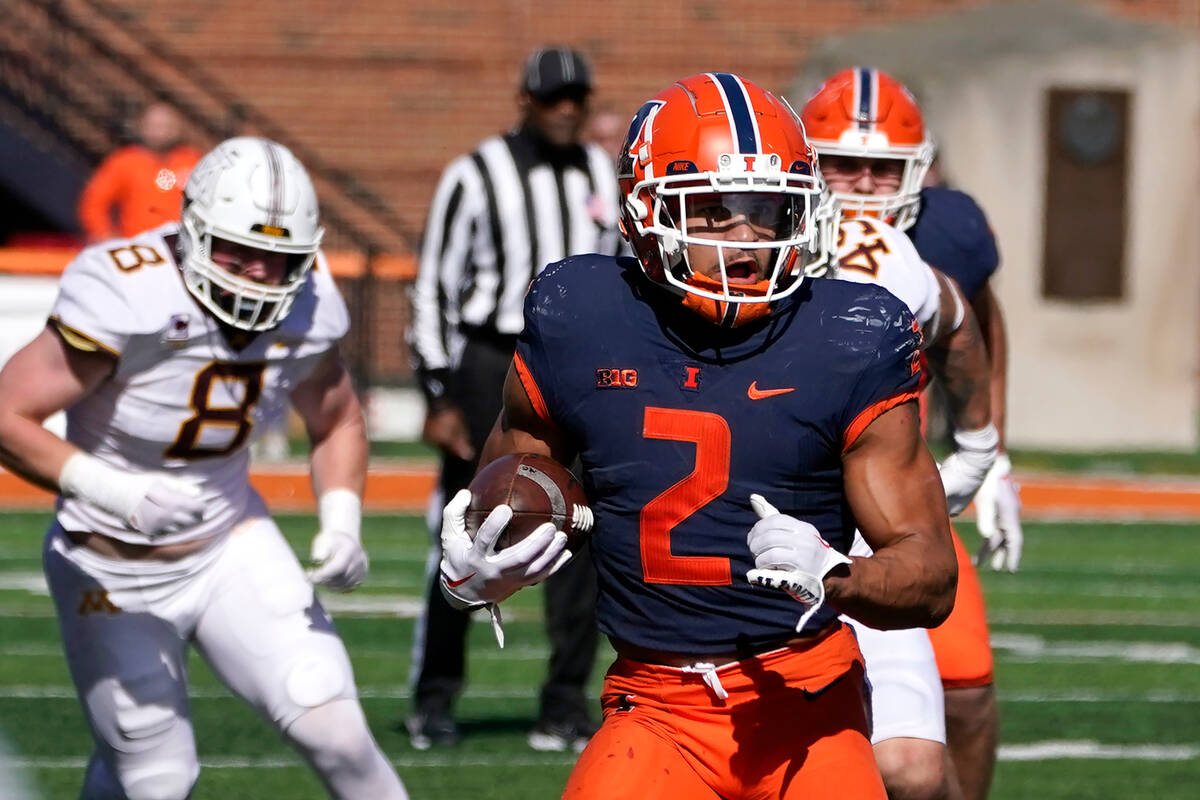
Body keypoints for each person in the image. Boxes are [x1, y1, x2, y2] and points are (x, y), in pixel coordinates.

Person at [437, 72, 958, 799]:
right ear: (642, 213)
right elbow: (518, 470)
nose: (748, 242)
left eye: (771, 212)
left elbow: (932, 573)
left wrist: (838, 575)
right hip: (653, 709)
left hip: (805, 699)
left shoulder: (850, 336)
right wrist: (480, 565)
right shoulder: (581, 314)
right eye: (714, 212)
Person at [0, 137, 407, 800]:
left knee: (333, 724)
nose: (255, 276)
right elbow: (7, 415)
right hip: (108, 567)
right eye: (236, 252)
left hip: (227, 544)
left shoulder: (307, 301)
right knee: (155, 780)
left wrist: (341, 521)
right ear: (190, 230)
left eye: (277, 260)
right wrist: (116, 493)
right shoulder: (126, 289)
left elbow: (336, 417)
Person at [802, 66, 1022, 800]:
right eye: (843, 164)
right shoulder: (762, 229)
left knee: (965, 688)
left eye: (883, 168)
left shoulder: (946, 231)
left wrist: (991, 458)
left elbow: (979, 327)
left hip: (897, 491)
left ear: (917, 172)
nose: (863, 185)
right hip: (788, 493)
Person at [406, 45, 623, 752]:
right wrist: (437, 390)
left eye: (577, 99)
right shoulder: (475, 174)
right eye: (554, 98)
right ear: (525, 101)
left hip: (581, 362)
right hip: (494, 358)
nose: (566, 110)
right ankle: (434, 697)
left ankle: (563, 704)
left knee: (577, 528)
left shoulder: (601, 171)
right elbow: (436, 283)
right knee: (468, 523)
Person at [77, 101, 203, 242]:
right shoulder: (124, 161)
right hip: (137, 246)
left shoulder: (193, 161)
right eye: (155, 126)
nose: (160, 131)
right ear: (141, 127)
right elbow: (93, 203)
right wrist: (104, 235)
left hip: (181, 246)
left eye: (166, 126)